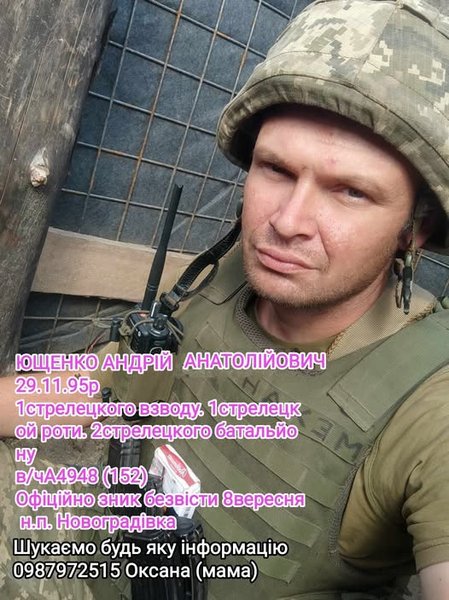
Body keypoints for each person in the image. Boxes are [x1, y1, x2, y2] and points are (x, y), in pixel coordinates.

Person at [1, 0, 449, 599]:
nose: (287, 222)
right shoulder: (233, 276)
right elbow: (104, 382)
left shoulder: (431, 409)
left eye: (350, 192)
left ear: (414, 230)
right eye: (277, 169)